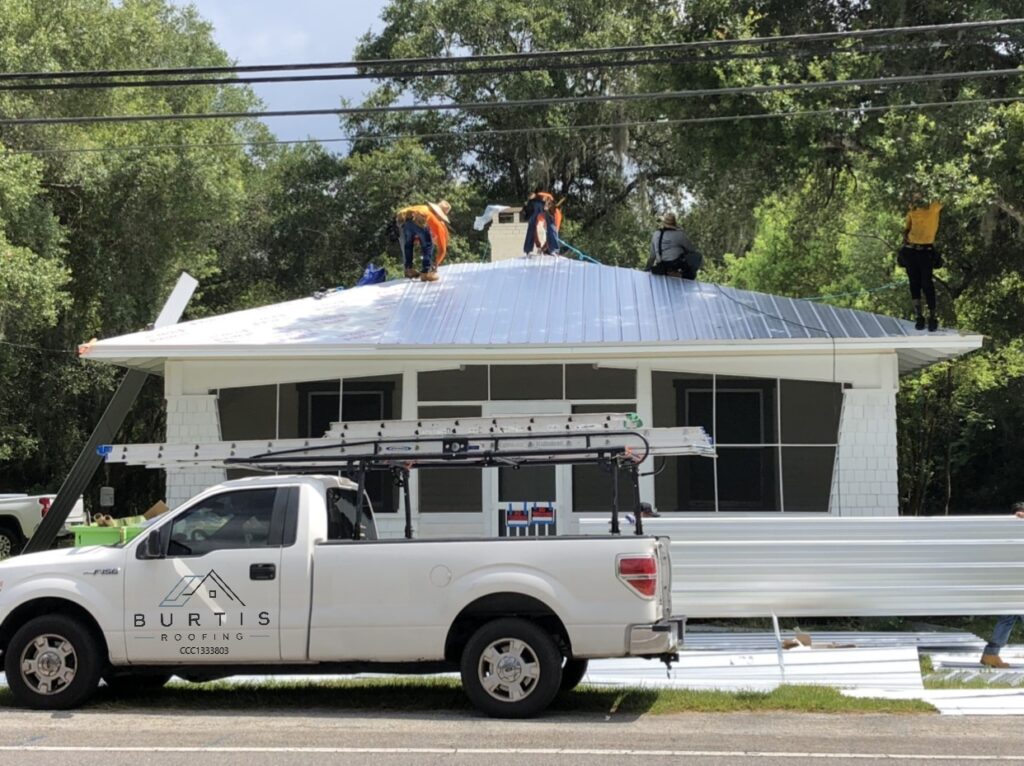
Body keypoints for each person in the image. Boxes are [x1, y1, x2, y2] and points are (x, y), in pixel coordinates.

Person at [979, 501, 1024, 669]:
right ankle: (991, 653)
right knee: (1008, 617)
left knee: (1007, 618)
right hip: (1014, 583)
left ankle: (991, 654)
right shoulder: (1009, 531)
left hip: (1015, 583)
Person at [899, 193, 943, 332]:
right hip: (911, 250)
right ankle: (919, 316)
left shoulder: (933, 206)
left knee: (926, 283)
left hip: (926, 250)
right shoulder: (912, 208)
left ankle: (932, 316)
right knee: (914, 283)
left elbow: (944, 194)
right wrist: (905, 237)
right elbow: (907, 228)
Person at [395, 200, 451, 282]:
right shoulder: (437, 223)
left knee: (408, 245)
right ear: (439, 214)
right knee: (428, 245)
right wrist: (436, 264)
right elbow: (442, 249)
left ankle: (409, 269)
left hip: (405, 221)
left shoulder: (423, 207)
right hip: (419, 221)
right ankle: (426, 273)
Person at [646, 212, 702, 280]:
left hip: (661, 266)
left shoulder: (655, 234)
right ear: (674, 224)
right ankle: (680, 275)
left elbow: (652, 256)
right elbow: (691, 250)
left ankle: (668, 272)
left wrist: (647, 269)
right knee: (697, 256)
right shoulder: (679, 234)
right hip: (675, 264)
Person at [522, 188, 561, 255]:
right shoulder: (554, 214)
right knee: (551, 226)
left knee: (531, 226)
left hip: (536, 202)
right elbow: (553, 232)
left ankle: (527, 250)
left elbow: (533, 231)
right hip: (546, 202)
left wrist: (540, 246)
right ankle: (554, 250)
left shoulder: (539, 215)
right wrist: (540, 246)